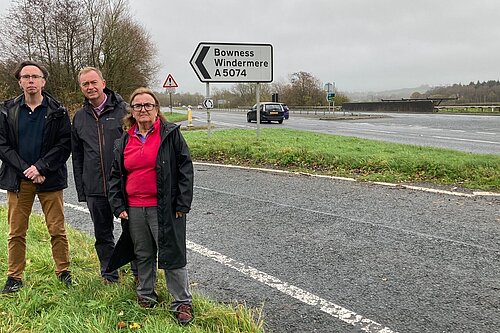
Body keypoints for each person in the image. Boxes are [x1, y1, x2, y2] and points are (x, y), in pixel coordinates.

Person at [108, 87, 194, 325]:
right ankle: (146, 295)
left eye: (148, 105)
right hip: (134, 207)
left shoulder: (171, 134)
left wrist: (182, 203)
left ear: (157, 109)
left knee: (173, 253)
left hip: (165, 206)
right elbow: (115, 175)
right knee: (142, 253)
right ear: (131, 111)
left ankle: (182, 302)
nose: (143, 109)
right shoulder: (124, 140)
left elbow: (185, 169)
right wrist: (118, 205)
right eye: (138, 106)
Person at [0, 60, 72, 293]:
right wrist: (27, 170)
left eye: (35, 76)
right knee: (16, 231)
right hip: (19, 180)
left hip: (49, 179)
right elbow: (2, 145)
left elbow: (64, 144)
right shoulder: (6, 109)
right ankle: (14, 277)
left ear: (43, 80)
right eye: (26, 77)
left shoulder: (58, 110)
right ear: (19, 81)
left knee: (57, 229)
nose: (30, 80)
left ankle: (63, 272)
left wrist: (41, 167)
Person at [71, 67, 137, 283]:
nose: (90, 87)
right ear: (81, 87)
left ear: (103, 82)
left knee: (134, 234)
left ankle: (140, 275)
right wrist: (83, 191)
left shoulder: (125, 112)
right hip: (95, 188)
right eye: (85, 84)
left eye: (93, 82)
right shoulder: (79, 117)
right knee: (103, 235)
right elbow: (77, 156)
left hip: (125, 187)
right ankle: (109, 275)